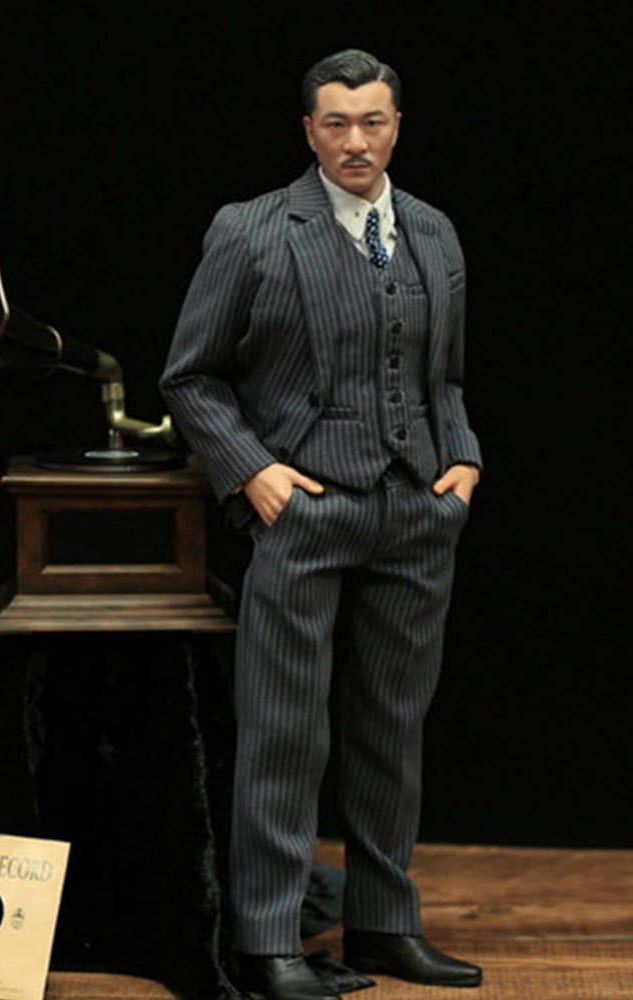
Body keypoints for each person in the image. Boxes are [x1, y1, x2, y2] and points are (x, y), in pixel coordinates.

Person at [159, 50, 483, 1000]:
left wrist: (463, 463)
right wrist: (254, 473)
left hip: (416, 511)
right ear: (309, 130)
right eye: (336, 122)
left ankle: (384, 924)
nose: (355, 141)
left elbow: (445, 375)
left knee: (392, 732)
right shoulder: (255, 229)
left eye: (372, 121)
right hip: (306, 512)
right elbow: (190, 375)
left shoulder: (432, 230)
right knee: (285, 733)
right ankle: (268, 940)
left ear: (396, 126)